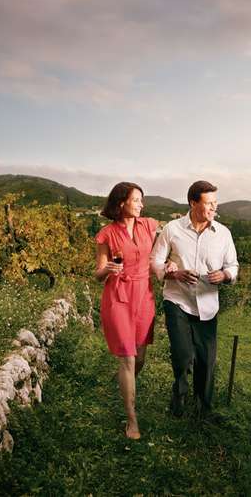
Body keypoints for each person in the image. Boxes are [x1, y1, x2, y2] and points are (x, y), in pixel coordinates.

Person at [150, 180, 239, 419]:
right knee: (183, 355)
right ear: (193, 203)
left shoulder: (223, 234)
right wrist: (174, 273)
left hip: (208, 306)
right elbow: (155, 261)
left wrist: (226, 275)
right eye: (209, 203)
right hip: (177, 300)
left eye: (215, 203)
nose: (214, 208)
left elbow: (233, 265)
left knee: (206, 360)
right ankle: (178, 396)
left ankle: (203, 409)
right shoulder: (172, 229)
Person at [94, 182, 159, 440]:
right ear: (122, 203)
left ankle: (125, 379)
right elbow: (98, 273)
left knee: (140, 357)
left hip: (144, 295)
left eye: (141, 200)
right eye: (137, 200)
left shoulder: (149, 225)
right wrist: (107, 268)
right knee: (128, 358)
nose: (141, 204)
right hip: (118, 297)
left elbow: (170, 240)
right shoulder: (107, 234)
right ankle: (132, 419)